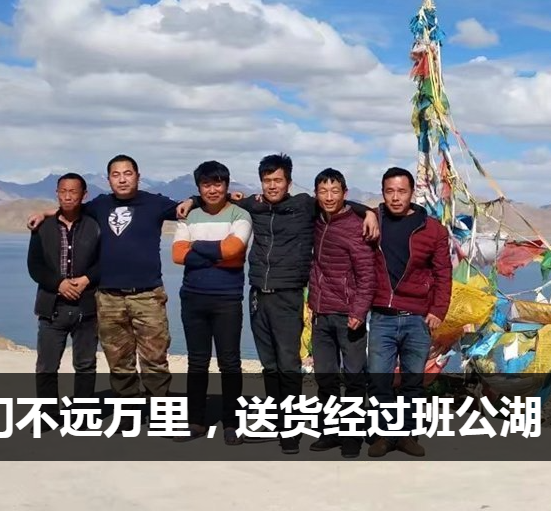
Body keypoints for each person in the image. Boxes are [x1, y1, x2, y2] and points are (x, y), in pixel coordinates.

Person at [179, 153, 377, 454]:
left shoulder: (304, 205)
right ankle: (275, 420)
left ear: (289, 182)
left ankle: (291, 430)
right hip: (258, 295)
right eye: (267, 180)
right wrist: (193, 199)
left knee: (288, 365)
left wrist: (369, 212)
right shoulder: (253, 206)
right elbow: (217, 197)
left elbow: (336, 201)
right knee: (269, 365)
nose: (272, 186)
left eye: (278, 180)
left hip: (288, 295)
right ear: (261, 182)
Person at [29, 155, 185, 400]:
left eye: (127, 173)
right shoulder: (100, 205)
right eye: (116, 174)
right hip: (108, 297)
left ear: (138, 176)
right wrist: (44, 214)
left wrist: (204, 199)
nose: (122, 179)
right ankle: (129, 410)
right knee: (119, 361)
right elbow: (71, 207)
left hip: (148, 295)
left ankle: (159, 410)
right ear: (108, 179)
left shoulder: (155, 203)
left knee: (154, 359)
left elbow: (188, 208)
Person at [366, 166, 452, 458]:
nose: (395, 197)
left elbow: (443, 274)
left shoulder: (432, 229)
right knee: (379, 380)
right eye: (389, 191)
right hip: (382, 316)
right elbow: (339, 205)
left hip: (417, 317)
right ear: (382, 193)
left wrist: (438, 310)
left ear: (412, 193)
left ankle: (407, 435)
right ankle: (383, 435)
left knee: (413, 383)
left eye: (401, 191)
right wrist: (367, 212)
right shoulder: (374, 220)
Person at [171, 160, 251, 445]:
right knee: (197, 362)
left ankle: (231, 422)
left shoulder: (240, 214)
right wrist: (218, 254)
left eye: (218, 184)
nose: (213, 190)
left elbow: (233, 248)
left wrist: (196, 247)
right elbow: (177, 255)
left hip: (227, 300)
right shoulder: (189, 216)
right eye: (206, 184)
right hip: (193, 298)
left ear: (226, 186)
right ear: (199, 188)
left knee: (230, 362)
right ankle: (195, 421)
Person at [306, 168, 374, 459]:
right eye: (323, 191)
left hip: (348, 316)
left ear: (345, 193)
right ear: (316, 194)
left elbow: (367, 274)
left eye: (335, 191)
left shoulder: (356, 226)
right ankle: (331, 431)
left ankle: (353, 436)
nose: (329, 197)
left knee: (354, 378)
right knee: (326, 378)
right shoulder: (317, 220)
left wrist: (358, 311)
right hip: (321, 314)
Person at [27, 173, 100, 405]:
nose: (67, 197)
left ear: (84, 195)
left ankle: (82, 414)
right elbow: (35, 266)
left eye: (73, 192)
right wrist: (59, 284)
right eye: (63, 191)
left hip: (87, 308)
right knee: (47, 366)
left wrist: (87, 279)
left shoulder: (95, 226)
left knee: (86, 365)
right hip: (52, 307)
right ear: (57, 193)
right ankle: (48, 415)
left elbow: (105, 261)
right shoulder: (42, 227)